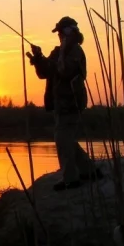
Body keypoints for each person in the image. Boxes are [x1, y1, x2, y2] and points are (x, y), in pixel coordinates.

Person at [26, 16, 100, 191]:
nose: (58, 36)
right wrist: (38, 57)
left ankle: (71, 179)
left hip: (72, 103)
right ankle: (88, 171)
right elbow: (45, 72)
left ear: (69, 32)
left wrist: (64, 50)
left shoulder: (75, 51)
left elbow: (64, 71)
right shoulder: (58, 51)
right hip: (60, 103)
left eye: (60, 32)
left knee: (62, 138)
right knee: (66, 139)